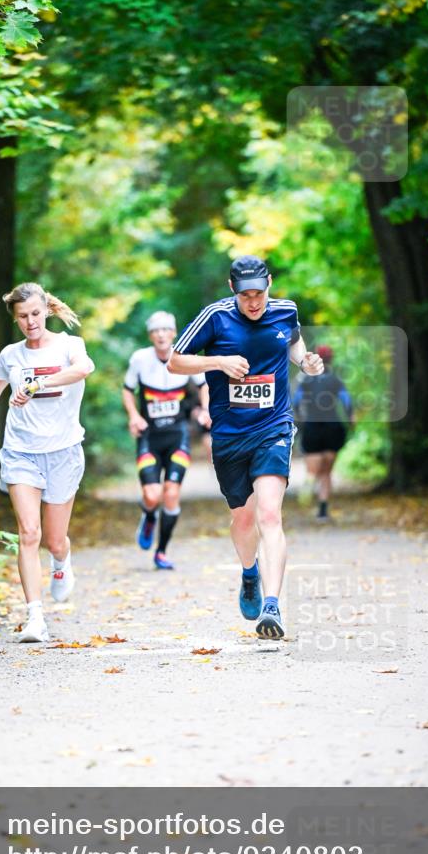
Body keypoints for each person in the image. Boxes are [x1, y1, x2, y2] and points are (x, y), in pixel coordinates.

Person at [168, 255, 323, 639]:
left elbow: (294, 344)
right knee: (243, 518)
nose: (253, 302)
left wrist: (306, 362)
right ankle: (250, 573)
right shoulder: (215, 317)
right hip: (230, 434)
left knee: (270, 516)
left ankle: (272, 606)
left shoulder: (286, 311)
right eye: (245, 295)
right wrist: (218, 362)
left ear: (270, 282)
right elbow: (174, 362)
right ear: (231, 288)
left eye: (259, 293)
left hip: (274, 427)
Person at [0, 282, 94, 644]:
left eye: (35, 314)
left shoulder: (68, 345)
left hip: (63, 452)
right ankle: (35, 618)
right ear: (15, 319)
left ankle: (61, 562)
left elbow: (83, 369)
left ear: (46, 310)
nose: (30, 322)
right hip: (20, 452)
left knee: (53, 540)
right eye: (22, 317)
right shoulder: (10, 355)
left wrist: (36, 385)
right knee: (28, 533)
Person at [122, 311, 211, 570]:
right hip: (149, 437)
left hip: (177, 436)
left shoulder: (185, 357)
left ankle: (161, 552)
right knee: (152, 495)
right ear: (150, 335)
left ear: (173, 333)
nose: (161, 335)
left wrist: (205, 409)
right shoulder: (139, 359)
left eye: (166, 330)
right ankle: (149, 514)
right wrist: (134, 416)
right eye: (156, 331)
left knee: (171, 494)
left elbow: (204, 384)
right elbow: (128, 391)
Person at [293, 345, 354, 522]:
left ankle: (309, 482)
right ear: (331, 360)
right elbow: (346, 401)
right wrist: (351, 420)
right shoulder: (336, 380)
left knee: (313, 470)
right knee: (326, 472)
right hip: (333, 427)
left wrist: (298, 417)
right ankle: (323, 510)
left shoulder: (306, 381)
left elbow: (296, 402)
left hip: (312, 426)